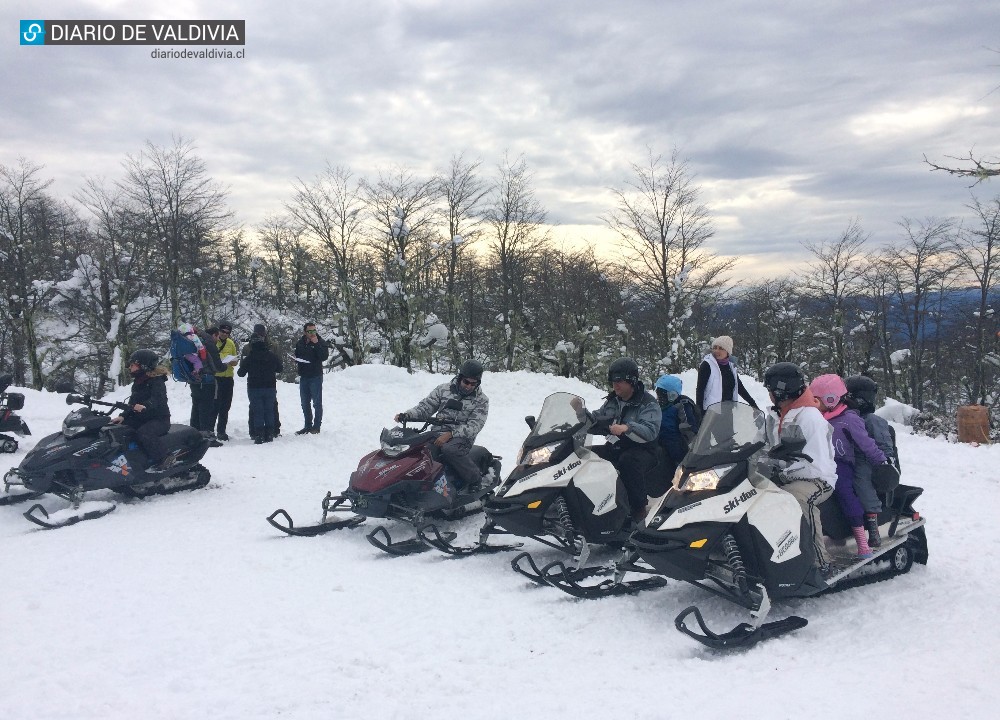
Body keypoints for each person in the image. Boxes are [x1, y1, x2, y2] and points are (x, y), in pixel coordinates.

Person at [762, 362, 836, 570]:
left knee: (797, 500)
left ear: (780, 392)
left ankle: (819, 561)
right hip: (784, 473)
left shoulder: (809, 417)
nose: (768, 394)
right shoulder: (774, 415)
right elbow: (764, 443)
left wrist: (783, 462)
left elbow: (816, 459)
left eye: (770, 390)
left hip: (816, 478)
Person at [810, 374, 889, 559]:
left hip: (841, 464)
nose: (813, 404)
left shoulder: (849, 419)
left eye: (816, 400)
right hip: (819, 462)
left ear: (831, 399)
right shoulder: (817, 418)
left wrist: (881, 462)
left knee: (844, 491)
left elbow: (866, 443)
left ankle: (862, 539)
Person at [394, 360, 489, 490]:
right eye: (466, 382)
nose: (469, 386)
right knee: (416, 449)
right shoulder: (443, 390)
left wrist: (451, 434)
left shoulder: (481, 400)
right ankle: (411, 485)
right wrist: (407, 415)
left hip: (461, 438)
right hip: (437, 431)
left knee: (449, 450)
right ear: (460, 377)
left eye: (474, 384)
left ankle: (475, 480)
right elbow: (425, 407)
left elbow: (475, 425)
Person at [589, 358, 661, 520]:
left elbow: (650, 430)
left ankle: (638, 511)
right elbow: (598, 417)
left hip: (644, 449)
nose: (615, 385)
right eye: (612, 381)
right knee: (587, 456)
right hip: (617, 446)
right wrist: (579, 417)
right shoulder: (613, 401)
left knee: (628, 462)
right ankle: (591, 504)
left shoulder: (648, 403)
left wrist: (627, 428)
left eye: (619, 381)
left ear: (631, 381)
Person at [845, 374, 902, 548]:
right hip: (846, 457)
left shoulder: (873, 420)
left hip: (870, 461)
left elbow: (884, 444)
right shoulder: (846, 416)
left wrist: (885, 462)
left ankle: (872, 522)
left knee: (861, 479)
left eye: (849, 397)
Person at [110, 349, 171, 473]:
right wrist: (123, 416)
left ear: (143, 365)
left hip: (159, 419)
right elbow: (132, 403)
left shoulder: (157, 381)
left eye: (132, 365)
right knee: (118, 430)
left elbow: (158, 399)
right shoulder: (138, 382)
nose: (130, 368)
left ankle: (165, 457)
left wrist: (145, 406)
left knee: (144, 433)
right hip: (142, 418)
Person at [653, 374, 701, 493]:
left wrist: (692, 446)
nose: (660, 397)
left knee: (678, 459)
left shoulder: (682, 405)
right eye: (658, 394)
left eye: (663, 394)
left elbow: (689, 426)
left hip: (677, 443)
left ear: (672, 395)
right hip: (659, 441)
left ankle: (684, 482)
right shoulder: (656, 406)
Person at [237, 333, 283, 444]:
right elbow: (280, 369)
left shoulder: (250, 358)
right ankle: (269, 433)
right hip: (270, 387)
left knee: (257, 410)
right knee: (269, 410)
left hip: (254, 387)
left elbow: (240, 373)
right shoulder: (271, 356)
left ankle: (259, 434)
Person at [696, 335, 759, 412]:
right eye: (715, 347)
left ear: (728, 351)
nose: (716, 351)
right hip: (711, 413)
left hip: (728, 412)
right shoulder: (707, 365)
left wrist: (753, 404)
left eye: (721, 348)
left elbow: (739, 387)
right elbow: (700, 390)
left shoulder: (731, 366)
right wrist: (699, 412)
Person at [176, 322, 217, 433]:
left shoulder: (180, 341)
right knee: (205, 407)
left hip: (192, 380)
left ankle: (194, 432)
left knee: (196, 405)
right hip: (205, 379)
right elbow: (202, 351)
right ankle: (205, 433)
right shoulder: (195, 338)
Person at [245, 322, 281, 437]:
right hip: (260, 382)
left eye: (262, 333)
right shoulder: (247, 347)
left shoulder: (272, 346)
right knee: (256, 408)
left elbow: (278, 363)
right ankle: (255, 431)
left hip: (265, 382)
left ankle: (273, 430)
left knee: (271, 407)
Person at [294, 322, 329, 435]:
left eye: (314, 330)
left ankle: (316, 426)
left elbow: (324, 356)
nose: (312, 333)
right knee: (304, 402)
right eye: (310, 331)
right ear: (305, 332)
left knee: (317, 403)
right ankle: (307, 425)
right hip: (304, 376)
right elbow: (297, 355)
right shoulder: (300, 342)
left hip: (315, 376)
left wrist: (316, 344)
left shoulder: (320, 342)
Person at [209, 322, 239, 441]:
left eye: (227, 333)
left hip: (228, 377)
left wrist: (231, 362)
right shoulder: (213, 342)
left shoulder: (231, 343)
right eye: (223, 332)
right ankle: (210, 431)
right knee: (215, 405)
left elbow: (235, 360)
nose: (225, 334)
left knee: (226, 406)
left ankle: (222, 431)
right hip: (216, 377)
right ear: (218, 331)